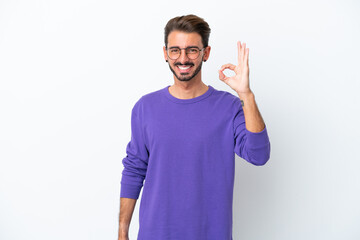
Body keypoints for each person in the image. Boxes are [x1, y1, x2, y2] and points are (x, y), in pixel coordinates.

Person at [118, 14, 271, 240]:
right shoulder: (145, 108)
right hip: (156, 234)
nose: (183, 58)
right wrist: (122, 232)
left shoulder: (228, 107)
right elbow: (134, 169)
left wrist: (246, 95)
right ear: (165, 54)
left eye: (192, 50)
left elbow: (259, 155)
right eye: (175, 50)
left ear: (205, 53)